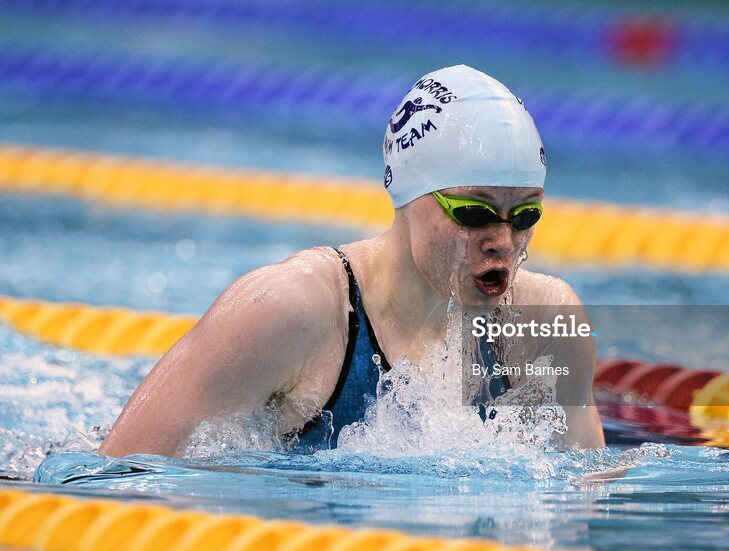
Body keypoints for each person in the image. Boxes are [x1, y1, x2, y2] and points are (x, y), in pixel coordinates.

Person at [98, 65, 605, 458]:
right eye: (473, 212)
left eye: (526, 214)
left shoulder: (542, 325)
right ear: (409, 195)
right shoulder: (294, 310)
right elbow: (112, 475)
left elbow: (584, 499)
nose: (503, 241)